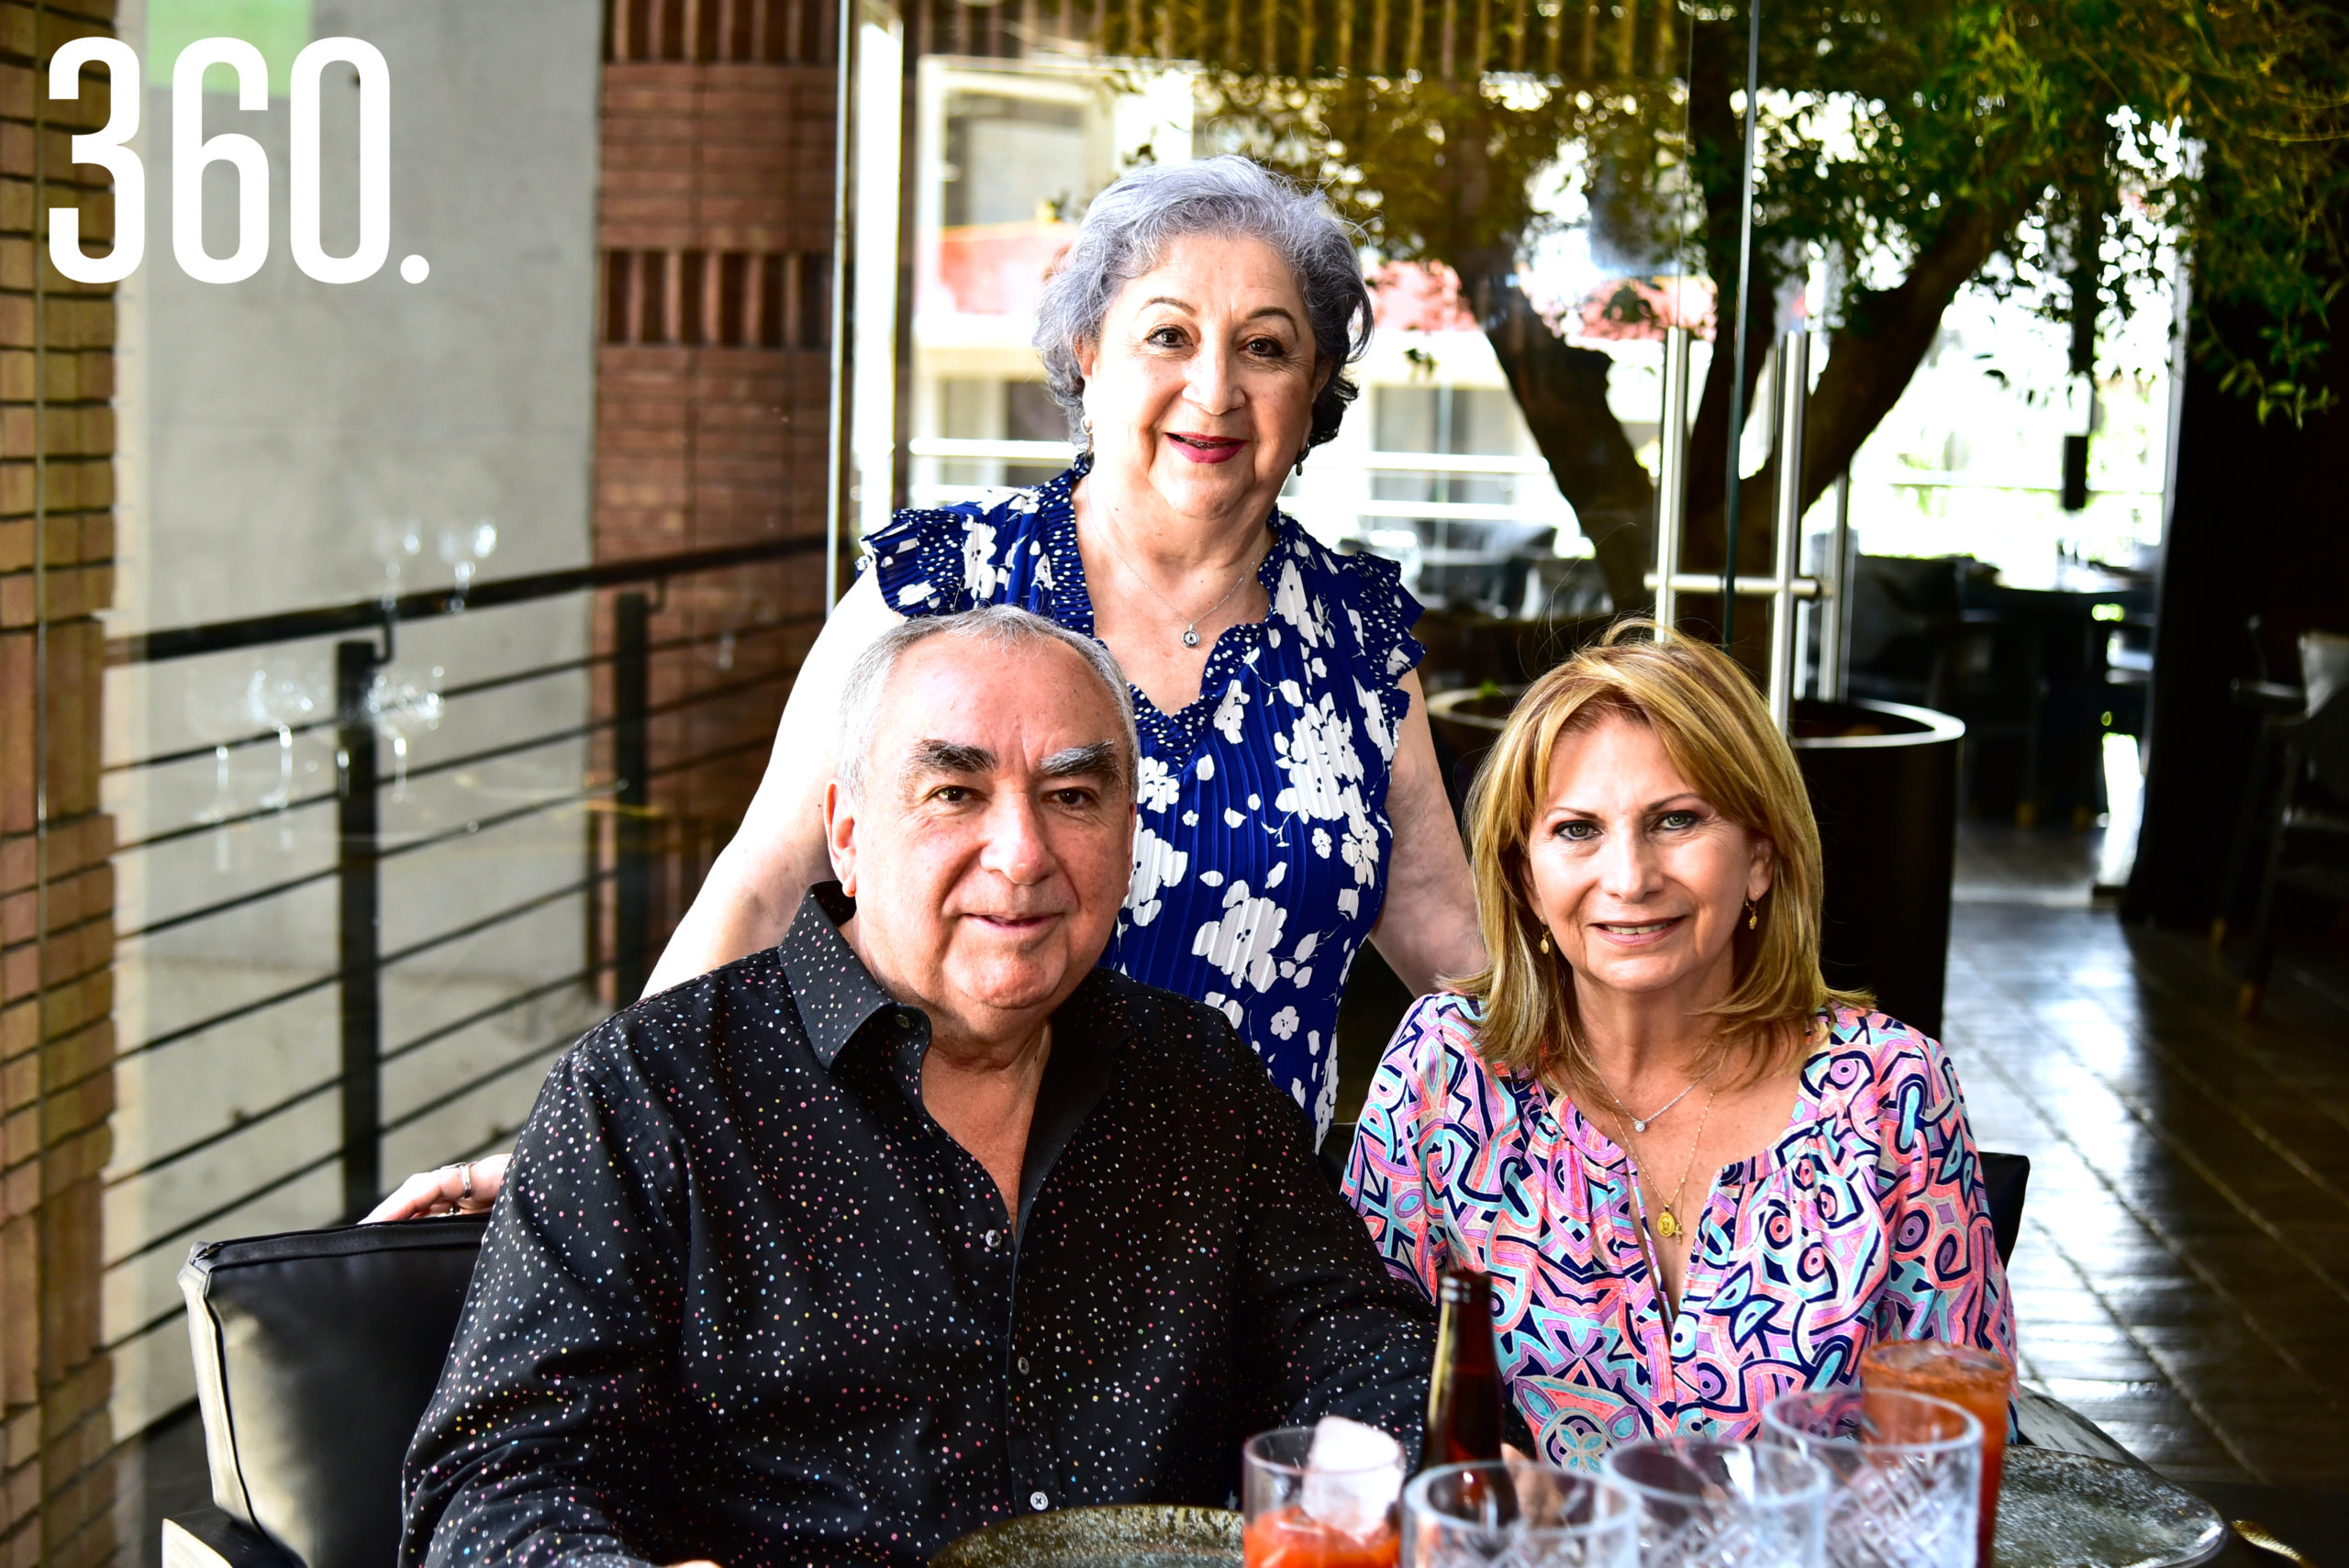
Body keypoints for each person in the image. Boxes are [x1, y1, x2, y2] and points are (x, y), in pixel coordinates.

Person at [370, 153, 1479, 1222]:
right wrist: (574, 1153)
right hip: (924, 1247)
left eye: (1266, 347)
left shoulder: (1358, 642)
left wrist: (1643, 1101)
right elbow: (762, 886)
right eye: (1169, 335)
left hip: (1235, 1267)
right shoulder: (939, 590)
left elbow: (1463, 961)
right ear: (1088, 352)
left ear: (1315, 386)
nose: (1215, 388)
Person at [401, 607, 1435, 1568]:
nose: (1023, 852)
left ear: (1130, 832)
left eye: (1073, 796)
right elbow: (494, 1487)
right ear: (846, 831)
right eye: (955, 791)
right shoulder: (649, 1092)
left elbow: (1354, 1341)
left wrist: (1417, 1473)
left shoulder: (1193, 1074)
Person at [1341, 621, 2015, 1467]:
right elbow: (1356, 1387)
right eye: (1576, 830)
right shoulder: (1444, 1071)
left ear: (1761, 855)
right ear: (1523, 877)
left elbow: (1963, 1449)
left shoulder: (1890, 1092)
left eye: (1676, 819)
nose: (1628, 877)